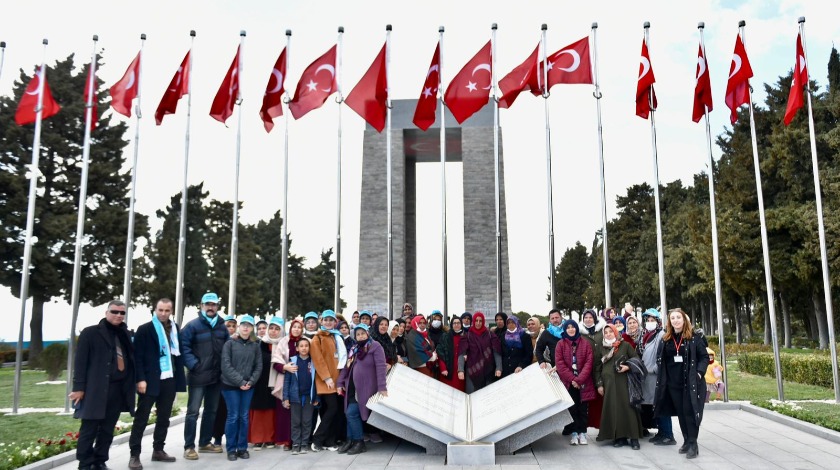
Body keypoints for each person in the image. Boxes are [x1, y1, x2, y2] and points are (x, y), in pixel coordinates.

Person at [70, 301, 135, 470]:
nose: (118, 315)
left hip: (118, 390)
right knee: (89, 428)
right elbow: (80, 362)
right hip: (95, 390)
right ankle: (85, 464)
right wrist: (78, 388)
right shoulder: (90, 333)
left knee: (107, 430)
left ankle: (100, 461)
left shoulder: (124, 334)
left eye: (122, 313)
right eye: (115, 312)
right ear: (106, 312)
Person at [129, 299, 186, 470]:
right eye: (160, 310)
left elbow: (177, 355)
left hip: (169, 379)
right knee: (142, 418)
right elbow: (137, 357)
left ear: (171, 311)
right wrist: (140, 379)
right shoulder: (145, 329)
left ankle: (158, 450)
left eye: (167, 310)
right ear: (155, 310)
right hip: (149, 380)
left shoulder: (175, 328)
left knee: (164, 417)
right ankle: (134, 455)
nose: (163, 313)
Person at [179, 292, 230, 459]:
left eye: (213, 304)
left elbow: (228, 349)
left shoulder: (222, 327)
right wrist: (194, 365)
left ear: (217, 306)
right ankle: (189, 446)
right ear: (201, 306)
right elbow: (183, 347)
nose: (210, 307)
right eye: (207, 304)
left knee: (211, 411)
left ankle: (205, 442)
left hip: (216, 377)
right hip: (198, 376)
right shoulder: (192, 326)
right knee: (193, 412)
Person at [654, 308, 709, 459]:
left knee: (690, 413)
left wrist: (699, 373)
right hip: (673, 385)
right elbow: (661, 359)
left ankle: (693, 444)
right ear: (669, 322)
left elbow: (704, 357)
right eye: (673, 318)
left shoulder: (694, 338)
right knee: (681, 414)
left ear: (684, 319)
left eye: (679, 317)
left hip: (691, 383)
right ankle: (686, 441)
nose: (676, 320)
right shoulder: (666, 339)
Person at [337, 324, 389, 455]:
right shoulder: (354, 348)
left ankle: (359, 442)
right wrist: (340, 382)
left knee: (352, 413)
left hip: (366, 387)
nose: (360, 336)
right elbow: (346, 367)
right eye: (358, 334)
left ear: (367, 333)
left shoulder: (375, 346)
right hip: (351, 387)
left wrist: (382, 387)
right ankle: (350, 440)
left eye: (362, 333)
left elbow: (381, 367)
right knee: (349, 413)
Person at [220, 315, 262, 461]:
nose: (245, 327)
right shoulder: (230, 343)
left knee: (244, 417)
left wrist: (250, 382)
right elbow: (226, 365)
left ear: (252, 329)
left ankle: (242, 448)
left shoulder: (255, 345)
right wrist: (240, 382)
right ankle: (231, 449)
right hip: (230, 386)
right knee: (233, 416)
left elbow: (258, 366)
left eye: (249, 325)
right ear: (239, 327)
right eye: (243, 324)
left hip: (248, 386)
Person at [595, 324, 644, 450]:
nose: (608, 334)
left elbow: (637, 359)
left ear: (616, 332)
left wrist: (628, 367)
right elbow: (597, 368)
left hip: (625, 382)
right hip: (609, 384)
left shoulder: (625, 345)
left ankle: (634, 438)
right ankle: (619, 437)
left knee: (628, 408)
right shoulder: (601, 348)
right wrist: (599, 384)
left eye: (611, 331)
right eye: (606, 332)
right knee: (614, 409)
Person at [310, 310, 346, 452]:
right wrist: (327, 378)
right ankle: (317, 439)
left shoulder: (335, 336)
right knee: (332, 409)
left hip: (336, 380)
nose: (328, 322)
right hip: (326, 380)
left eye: (331, 320)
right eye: (326, 320)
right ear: (321, 321)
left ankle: (329, 441)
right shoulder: (317, 338)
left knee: (333, 411)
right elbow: (318, 360)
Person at [555, 319, 595, 446]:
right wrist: (573, 380)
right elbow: (560, 364)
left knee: (583, 409)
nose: (571, 329)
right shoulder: (560, 344)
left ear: (577, 329)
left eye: (573, 327)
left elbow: (589, 363)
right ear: (565, 330)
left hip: (584, 383)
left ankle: (582, 433)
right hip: (569, 383)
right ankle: (573, 433)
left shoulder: (585, 343)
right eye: (568, 328)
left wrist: (579, 380)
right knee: (572, 409)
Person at [639, 309, 674, 445]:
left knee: (661, 405)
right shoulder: (645, 335)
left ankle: (668, 435)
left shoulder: (661, 335)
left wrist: (654, 369)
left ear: (658, 322)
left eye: (652, 320)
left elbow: (664, 356)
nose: (649, 323)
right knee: (655, 406)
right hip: (647, 377)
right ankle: (661, 433)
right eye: (648, 320)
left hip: (656, 376)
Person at [249, 317, 282, 450]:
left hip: (276, 381)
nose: (273, 331)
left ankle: (270, 439)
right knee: (259, 410)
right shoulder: (260, 344)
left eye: (277, 329)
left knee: (272, 411)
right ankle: (257, 439)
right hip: (260, 382)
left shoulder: (282, 344)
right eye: (271, 328)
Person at [282, 336, 318, 455]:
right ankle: (296, 443)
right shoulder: (292, 361)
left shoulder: (313, 362)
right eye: (301, 346)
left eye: (306, 346)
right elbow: (287, 381)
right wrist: (286, 398)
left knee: (307, 421)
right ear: (297, 348)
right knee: (296, 421)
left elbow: (316, 382)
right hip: (295, 397)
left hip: (309, 397)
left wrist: (316, 397)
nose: (304, 348)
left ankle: (304, 443)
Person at [272, 319, 304, 451]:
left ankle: (301, 440)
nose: (296, 329)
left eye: (299, 327)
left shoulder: (306, 341)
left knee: (301, 412)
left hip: (302, 380)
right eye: (294, 327)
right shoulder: (283, 341)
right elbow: (276, 362)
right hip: (286, 379)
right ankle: (287, 441)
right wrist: (285, 367)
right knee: (285, 410)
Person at [457, 312, 501, 393]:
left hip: (488, 371)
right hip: (472, 371)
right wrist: (460, 370)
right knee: (472, 396)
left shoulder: (490, 335)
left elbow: (496, 352)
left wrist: (499, 368)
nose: (478, 323)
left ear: (483, 322)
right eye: (476, 320)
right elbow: (461, 353)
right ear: (473, 321)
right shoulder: (468, 336)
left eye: (480, 321)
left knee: (487, 396)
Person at [436, 316, 466, 391]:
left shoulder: (465, 337)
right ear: (451, 325)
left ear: (461, 324)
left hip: (460, 370)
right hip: (448, 369)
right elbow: (440, 353)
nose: (456, 325)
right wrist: (443, 368)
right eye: (454, 323)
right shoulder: (445, 337)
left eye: (458, 323)